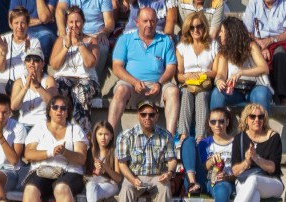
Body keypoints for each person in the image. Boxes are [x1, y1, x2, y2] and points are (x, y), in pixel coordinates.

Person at [21, 94, 89, 202]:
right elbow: (28, 154)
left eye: (63, 108)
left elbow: (81, 159)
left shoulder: (75, 130)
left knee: (61, 187)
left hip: (70, 171)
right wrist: (50, 152)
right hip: (42, 170)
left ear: (68, 112)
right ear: (49, 110)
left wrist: (64, 152)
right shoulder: (39, 128)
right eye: (55, 107)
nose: (59, 111)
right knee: (30, 188)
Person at [108, 7, 179, 136]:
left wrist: (159, 83)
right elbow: (117, 67)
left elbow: (171, 68)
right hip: (131, 86)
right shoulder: (125, 39)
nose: (149, 24)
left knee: (173, 91)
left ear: (156, 22)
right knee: (121, 90)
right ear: (137, 22)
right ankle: (109, 135)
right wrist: (134, 82)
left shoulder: (166, 41)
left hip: (158, 86)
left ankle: (170, 138)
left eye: (152, 21)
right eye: (145, 21)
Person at [115, 99, 178, 202]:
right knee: (126, 188)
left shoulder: (166, 135)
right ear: (138, 115)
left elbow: (172, 160)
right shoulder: (126, 135)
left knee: (164, 189)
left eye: (151, 114)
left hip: (157, 175)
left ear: (157, 115)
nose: (147, 117)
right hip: (134, 175)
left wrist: (169, 173)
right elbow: (122, 164)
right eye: (143, 114)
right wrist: (133, 179)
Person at [228, 103, 283, 202]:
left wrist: (256, 158)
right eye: (252, 116)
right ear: (246, 119)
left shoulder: (274, 137)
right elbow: (235, 171)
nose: (257, 120)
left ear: (264, 119)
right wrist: (247, 162)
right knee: (254, 193)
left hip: (271, 182)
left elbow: (272, 168)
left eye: (260, 117)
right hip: (244, 181)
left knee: (254, 180)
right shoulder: (239, 138)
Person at [179, 106, 236, 202]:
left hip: (222, 181)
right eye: (213, 122)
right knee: (188, 140)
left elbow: (240, 170)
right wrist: (210, 162)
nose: (217, 125)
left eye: (221, 121)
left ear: (227, 122)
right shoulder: (204, 143)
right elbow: (201, 168)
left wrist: (227, 176)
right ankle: (192, 183)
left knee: (223, 189)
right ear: (209, 124)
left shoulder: (236, 143)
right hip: (202, 180)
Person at [49, 6, 99, 134]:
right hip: (65, 78)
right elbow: (54, 65)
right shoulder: (61, 40)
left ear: (83, 22)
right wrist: (66, 47)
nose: (74, 25)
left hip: (87, 79)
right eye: (71, 22)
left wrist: (79, 43)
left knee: (79, 90)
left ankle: (82, 133)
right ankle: (57, 128)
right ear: (67, 23)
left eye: (77, 22)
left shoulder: (91, 40)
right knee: (57, 87)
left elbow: (90, 63)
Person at [242, 0, 286, 106]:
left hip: (279, 42)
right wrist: (261, 45)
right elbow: (247, 32)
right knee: (253, 52)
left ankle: (283, 96)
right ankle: (255, 93)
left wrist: (271, 40)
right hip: (257, 42)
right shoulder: (253, 4)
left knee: (280, 53)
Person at [211, 16, 272, 112]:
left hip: (255, 87)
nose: (219, 34)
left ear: (231, 33)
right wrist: (219, 80)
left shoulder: (251, 46)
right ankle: (216, 120)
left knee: (261, 94)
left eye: (222, 31)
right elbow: (221, 74)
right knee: (217, 93)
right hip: (234, 91)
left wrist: (241, 72)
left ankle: (262, 121)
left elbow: (264, 68)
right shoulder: (223, 51)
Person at [175, 11, 216, 139]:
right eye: (192, 27)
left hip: (205, 83)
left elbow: (216, 71)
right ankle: (183, 136)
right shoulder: (182, 47)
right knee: (185, 94)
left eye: (199, 26)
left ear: (204, 27)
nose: (195, 30)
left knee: (202, 96)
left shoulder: (213, 45)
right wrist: (188, 76)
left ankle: (201, 137)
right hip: (187, 83)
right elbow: (179, 76)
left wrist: (201, 74)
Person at [54, 0, 113, 78]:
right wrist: (63, 34)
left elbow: (110, 22)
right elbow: (59, 10)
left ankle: (94, 79)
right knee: (60, 43)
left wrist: (104, 33)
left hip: (95, 34)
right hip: (71, 32)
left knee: (103, 47)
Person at [0, 6, 43, 92]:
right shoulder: (4, 39)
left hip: (25, 82)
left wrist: (28, 51)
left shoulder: (34, 41)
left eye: (23, 23)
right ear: (11, 24)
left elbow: (37, 69)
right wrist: (4, 52)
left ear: (27, 24)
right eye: (16, 23)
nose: (20, 26)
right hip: (4, 81)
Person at [9, 45, 57, 130]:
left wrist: (38, 86)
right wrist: (25, 87)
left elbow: (52, 103)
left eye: (36, 60)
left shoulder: (49, 80)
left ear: (43, 64)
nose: (31, 63)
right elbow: (13, 106)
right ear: (25, 63)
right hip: (24, 124)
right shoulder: (19, 82)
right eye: (28, 60)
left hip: (43, 124)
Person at [84, 120, 121, 202]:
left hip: (110, 184)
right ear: (95, 135)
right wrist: (97, 172)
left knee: (92, 194)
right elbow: (88, 176)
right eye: (100, 134)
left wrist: (105, 167)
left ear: (111, 136)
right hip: (95, 184)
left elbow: (118, 179)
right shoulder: (90, 151)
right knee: (90, 186)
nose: (103, 138)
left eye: (106, 134)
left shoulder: (114, 151)